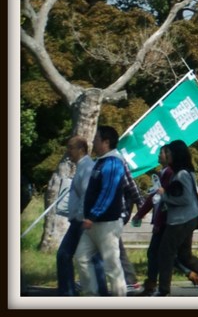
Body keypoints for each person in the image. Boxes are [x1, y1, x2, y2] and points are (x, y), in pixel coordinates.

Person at [154, 140, 198, 297]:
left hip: (181, 220)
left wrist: (164, 196)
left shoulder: (181, 175)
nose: (166, 155)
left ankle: (163, 291)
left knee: (165, 254)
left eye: (168, 153)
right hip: (188, 218)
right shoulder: (186, 172)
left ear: (175, 155)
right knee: (185, 256)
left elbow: (185, 199)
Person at [74, 125, 141, 297]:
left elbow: (108, 192)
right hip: (93, 223)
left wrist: (93, 215)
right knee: (81, 258)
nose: (93, 142)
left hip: (107, 224)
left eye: (96, 139)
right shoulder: (100, 162)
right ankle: (92, 296)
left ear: (106, 142)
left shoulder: (113, 163)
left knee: (112, 266)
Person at [56, 135, 106, 295]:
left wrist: (82, 217)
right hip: (79, 220)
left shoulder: (86, 168)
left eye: (71, 148)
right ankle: (70, 293)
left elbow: (87, 194)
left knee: (73, 256)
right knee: (71, 256)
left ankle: (73, 293)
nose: (68, 151)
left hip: (83, 220)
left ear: (81, 150)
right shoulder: (82, 167)